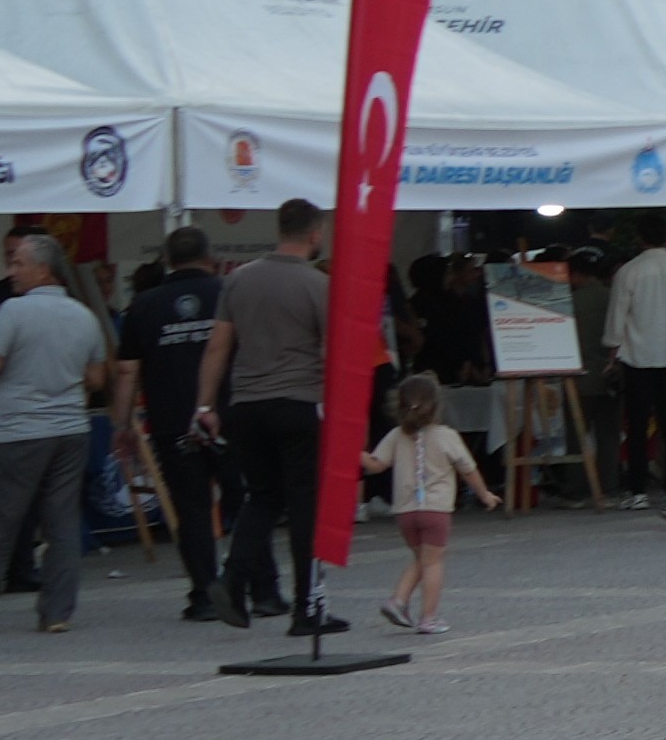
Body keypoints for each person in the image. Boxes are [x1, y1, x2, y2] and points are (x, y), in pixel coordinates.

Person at [0, 226, 114, 634]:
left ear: (43, 270)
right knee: (62, 524)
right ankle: (57, 612)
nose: (11, 271)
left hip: (19, 430)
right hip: (70, 429)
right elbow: (96, 377)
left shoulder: (12, 312)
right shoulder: (84, 315)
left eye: (18, 263)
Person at [195, 201, 337, 625]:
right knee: (304, 505)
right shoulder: (318, 285)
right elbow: (331, 352)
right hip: (298, 402)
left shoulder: (238, 279)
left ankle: (233, 579)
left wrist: (205, 405)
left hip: (247, 405)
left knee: (262, 497)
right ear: (314, 234)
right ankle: (307, 607)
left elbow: (218, 347)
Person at [115, 229, 235, 618]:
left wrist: (122, 425)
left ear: (167, 260)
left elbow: (127, 371)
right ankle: (262, 589)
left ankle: (204, 594)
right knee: (250, 501)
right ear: (209, 256)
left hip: (172, 421)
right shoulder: (227, 291)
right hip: (228, 415)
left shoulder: (144, 304)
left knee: (192, 508)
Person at [365, 371, 485, 633]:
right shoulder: (446, 435)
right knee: (433, 562)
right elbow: (468, 469)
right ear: (437, 405)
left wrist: (353, 451)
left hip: (405, 512)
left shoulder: (396, 435)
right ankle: (427, 617)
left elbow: (376, 465)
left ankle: (399, 601)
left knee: (421, 558)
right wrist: (484, 494)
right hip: (436, 510)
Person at [601, 226, 666, 517]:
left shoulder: (629, 271)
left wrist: (612, 351)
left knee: (636, 425)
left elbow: (617, 317)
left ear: (640, 239)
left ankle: (637, 490)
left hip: (639, 356)